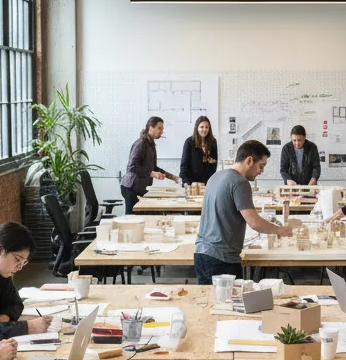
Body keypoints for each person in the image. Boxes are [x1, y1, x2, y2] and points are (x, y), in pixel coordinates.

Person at [193, 140, 293, 284]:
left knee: (214, 304)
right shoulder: (240, 182)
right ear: (249, 160)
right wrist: (280, 230)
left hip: (201, 254)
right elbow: (254, 223)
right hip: (221, 259)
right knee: (230, 304)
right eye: (261, 166)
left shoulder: (216, 176)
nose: (261, 171)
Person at [121, 116, 178, 213]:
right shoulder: (141, 143)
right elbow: (132, 167)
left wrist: (172, 177)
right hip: (131, 187)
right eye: (159, 128)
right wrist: (152, 174)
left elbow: (153, 167)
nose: (161, 131)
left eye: (162, 128)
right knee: (131, 220)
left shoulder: (151, 144)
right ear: (151, 127)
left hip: (140, 188)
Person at [179, 115, 218, 188]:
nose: (204, 129)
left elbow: (214, 165)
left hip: (206, 184)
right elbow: (184, 165)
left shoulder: (213, 142)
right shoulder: (189, 142)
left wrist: (209, 183)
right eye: (201, 127)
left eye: (207, 127)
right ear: (197, 128)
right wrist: (186, 183)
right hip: (191, 184)